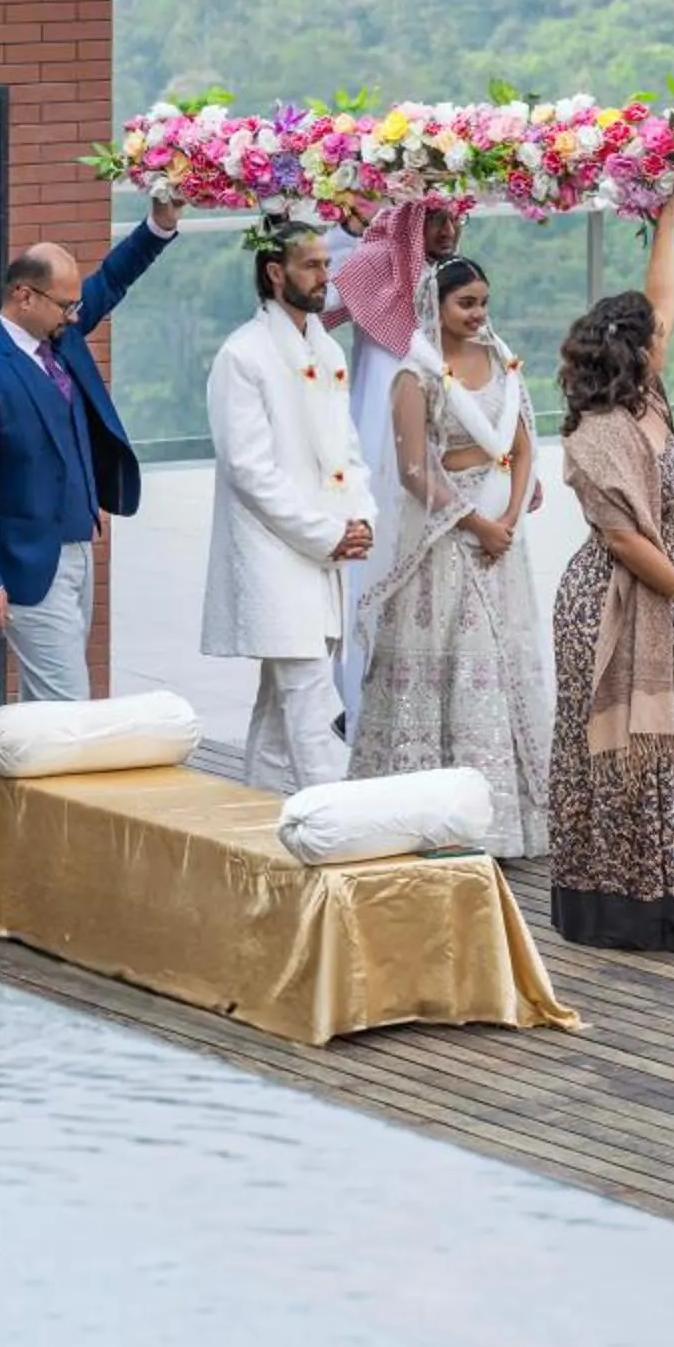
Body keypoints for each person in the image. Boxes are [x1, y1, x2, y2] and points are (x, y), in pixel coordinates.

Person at [549, 216, 674, 950]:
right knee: (617, 753)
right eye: (657, 336)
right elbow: (624, 539)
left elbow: (665, 300)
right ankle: (616, 907)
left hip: (666, 604)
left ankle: (673, 898)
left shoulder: (652, 402)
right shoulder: (599, 433)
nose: (668, 339)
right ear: (637, 351)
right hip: (615, 607)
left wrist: (666, 221)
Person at [0, 199, 182, 705]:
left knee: (45, 713)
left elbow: (112, 279)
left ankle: (15, 787)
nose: (76, 315)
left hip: (78, 547)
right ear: (24, 295)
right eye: (66, 305)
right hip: (27, 562)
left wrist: (160, 224)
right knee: (69, 708)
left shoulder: (58, 333)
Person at [347, 256, 553, 856]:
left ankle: (507, 820)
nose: (479, 314)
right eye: (466, 304)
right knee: (456, 663)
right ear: (434, 308)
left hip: (501, 537)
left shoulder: (501, 360)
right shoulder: (416, 375)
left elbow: (521, 443)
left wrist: (510, 517)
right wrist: (475, 524)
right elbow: (415, 472)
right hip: (445, 540)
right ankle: (434, 817)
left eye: (484, 302)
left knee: (500, 660)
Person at [202, 216, 376, 794]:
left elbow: (345, 449)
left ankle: (256, 821)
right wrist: (325, 534)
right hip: (274, 554)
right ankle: (344, 831)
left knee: (280, 713)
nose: (326, 275)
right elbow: (248, 470)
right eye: (312, 265)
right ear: (276, 273)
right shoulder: (242, 355)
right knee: (311, 700)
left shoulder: (325, 347)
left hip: (321, 550)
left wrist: (360, 518)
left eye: (328, 263)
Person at [326, 198, 464, 723]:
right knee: (374, 563)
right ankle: (361, 705)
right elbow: (322, 303)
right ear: (410, 222)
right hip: (378, 439)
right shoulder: (375, 261)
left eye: (454, 220)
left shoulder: (453, 280)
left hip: (442, 438)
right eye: (434, 220)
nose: (448, 231)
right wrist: (347, 230)